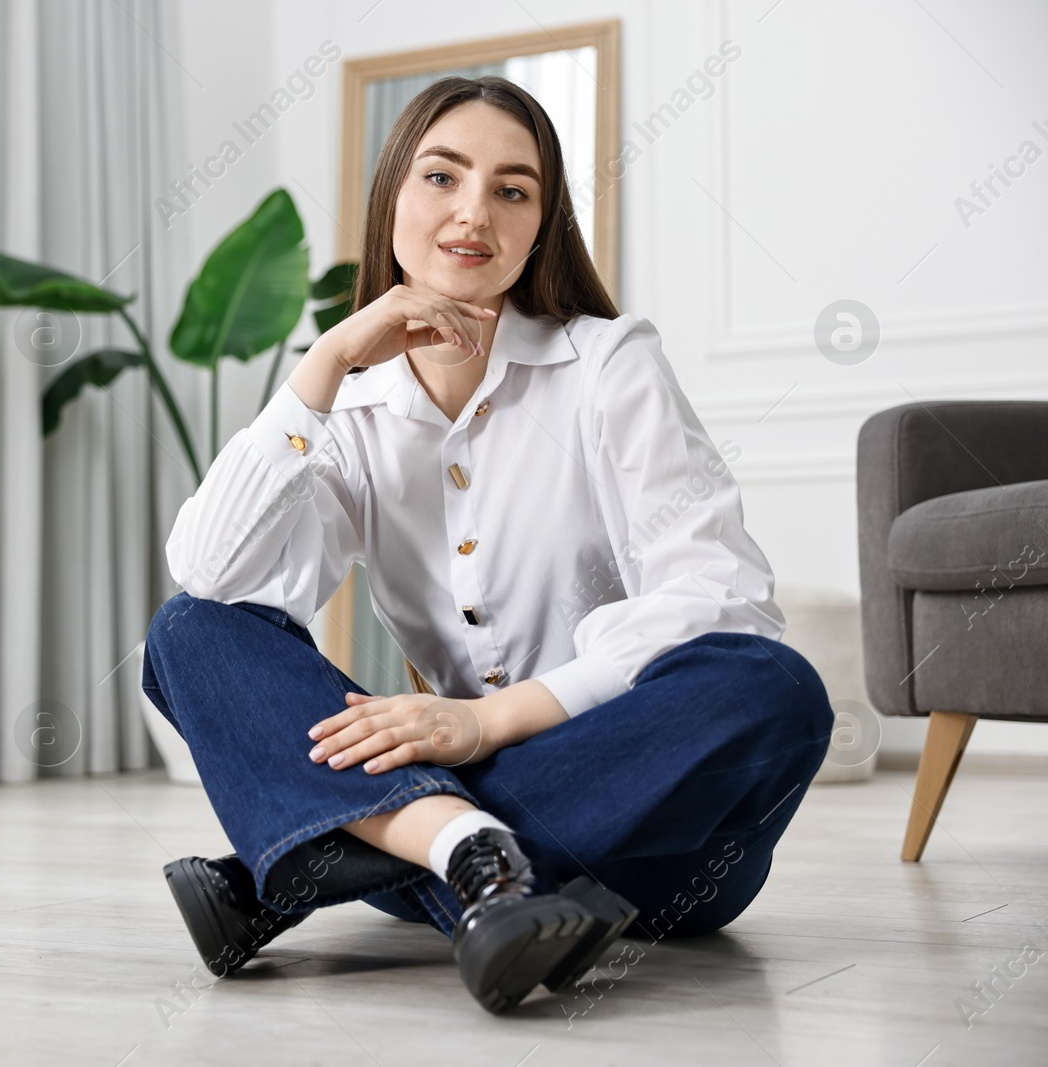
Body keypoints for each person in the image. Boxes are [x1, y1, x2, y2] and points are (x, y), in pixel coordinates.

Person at [141, 75, 833, 1015]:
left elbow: (720, 599)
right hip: (483, 842)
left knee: (775, 688)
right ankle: (470, 862)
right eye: (441, 177)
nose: (473, 213)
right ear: (392, 196)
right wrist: (324, 366)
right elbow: (214, 571)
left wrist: (483, 725)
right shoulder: (349, 408)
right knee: (189, 632)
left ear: (541, 225)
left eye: (512, 190)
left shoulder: (607, 365)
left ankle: (331, 857)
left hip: (662, 839)